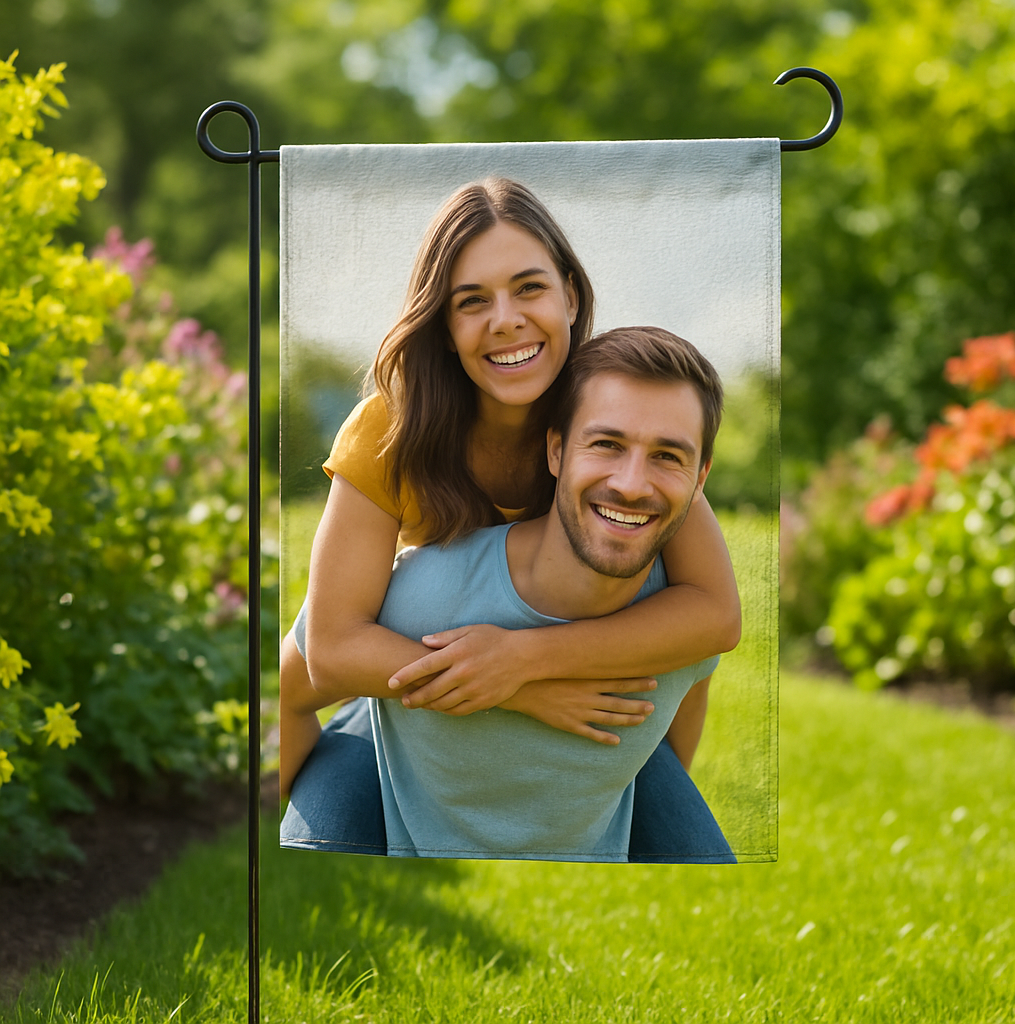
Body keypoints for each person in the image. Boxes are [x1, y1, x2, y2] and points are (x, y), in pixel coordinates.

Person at [278, 178, 740, 843]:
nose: (506, 320)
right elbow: (329, 651)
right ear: (443, 325)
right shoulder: (389, 428)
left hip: (562, 683)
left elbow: (714, 614)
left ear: (571, 297)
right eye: (472, 301)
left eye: (529, 288)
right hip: (414, 687)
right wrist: (517, 688)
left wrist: (526, 659)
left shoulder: (608, 411)